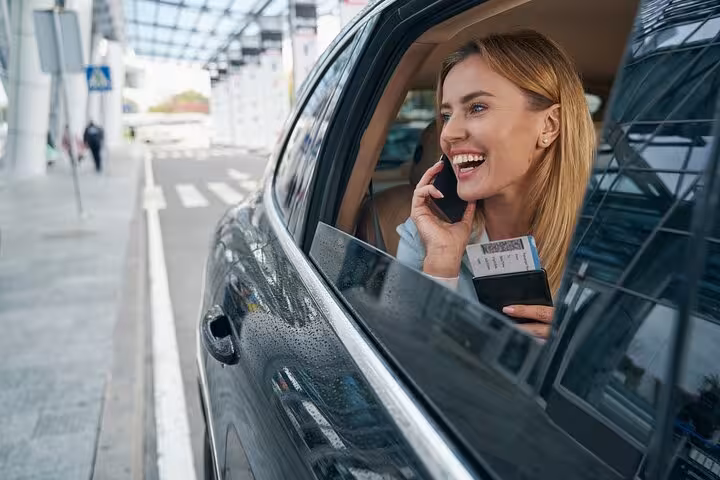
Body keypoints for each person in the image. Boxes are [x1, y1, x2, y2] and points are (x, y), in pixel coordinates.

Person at [396, 30, 595, 338]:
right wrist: (440, 266)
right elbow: (400, 360)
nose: (447, 134)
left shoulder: (606, 246)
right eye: (446, 115)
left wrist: (574, 357)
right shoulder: (425, 234)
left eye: (476, 107)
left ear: (549, 125)